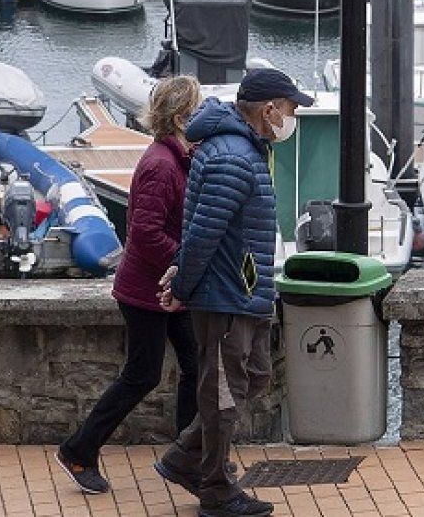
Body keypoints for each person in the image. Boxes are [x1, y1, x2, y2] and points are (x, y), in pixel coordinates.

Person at [154, 68, 313, 517]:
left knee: (255, 376)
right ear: (269, 109)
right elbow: (205, 231)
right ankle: (217, 491)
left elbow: (210, 228)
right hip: (226, 296)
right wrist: (183, 287)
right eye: (291, 108)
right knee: (223, 394)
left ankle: (185, 458)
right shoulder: (234, 158)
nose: (292, 116)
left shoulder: (242, 150)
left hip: (243, 291)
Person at [56, 76, 203, 495]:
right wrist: (186, 262)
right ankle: (78, 449)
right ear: (179, 117)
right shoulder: (161, 164)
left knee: (193, 366)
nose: (203, 117)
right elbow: (145, 235)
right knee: (142, 375)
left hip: (165, 287)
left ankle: (187, 456)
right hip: (146, 291)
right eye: (197, 109)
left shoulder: (178, 158)